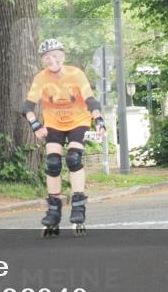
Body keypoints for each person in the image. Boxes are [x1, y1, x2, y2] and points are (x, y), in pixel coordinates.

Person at [22, 38, 106, 234]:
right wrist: (36, 125)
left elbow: (91, 101)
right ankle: (53, 210)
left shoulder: (76, 74)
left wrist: (99, 121)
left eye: (55, 56)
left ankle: (78, 205)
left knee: (73, 158)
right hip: (53, 123)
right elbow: (28, 106)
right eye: (46, 58)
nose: (51, 60)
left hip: (79, 121)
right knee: (52, 163)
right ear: (43, 61)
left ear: (63, 57)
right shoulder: (40, 78)